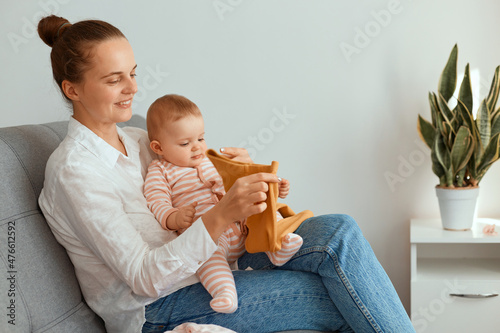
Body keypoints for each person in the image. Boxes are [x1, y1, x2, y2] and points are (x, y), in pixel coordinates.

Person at [37, 14, 416, 333]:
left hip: (218, 258)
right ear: (72, 89)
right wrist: (222, 215)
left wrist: (241, 177)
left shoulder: (140, 139)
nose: (133, 88)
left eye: (133, 74)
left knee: (339, 230)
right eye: (113, 79)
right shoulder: (75, 172)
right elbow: (144, 276)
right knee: (340, 294)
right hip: (158, 306)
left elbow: (197, 178)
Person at [143, 93, 303, 314]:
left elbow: (242, 183)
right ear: (158, 148)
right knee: (208, 259)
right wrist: (175, 217)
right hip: (210, 236)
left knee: (263, 207)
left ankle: (279, 246)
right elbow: (156, 202)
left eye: (200, 138)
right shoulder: (160, 171)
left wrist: (275, 188)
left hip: (241, 224)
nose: (197, 147)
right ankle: (225, 292)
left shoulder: (212, 160)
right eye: (185, 143)